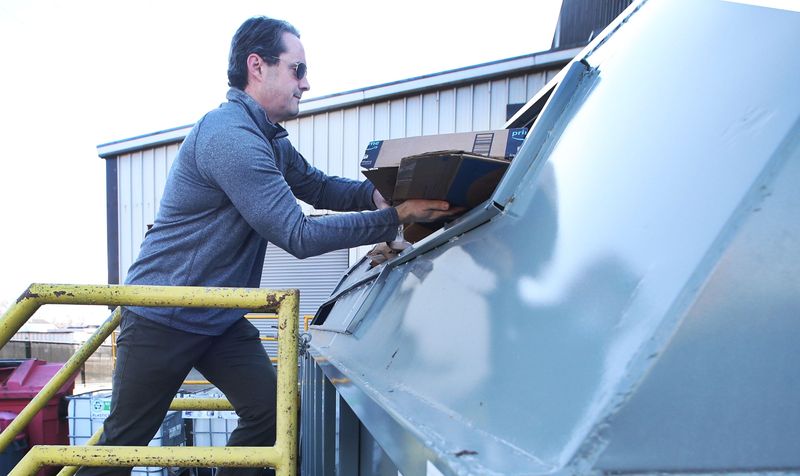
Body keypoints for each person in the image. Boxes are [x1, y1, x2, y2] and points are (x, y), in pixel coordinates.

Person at [77, 16, 459, 476]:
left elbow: (316, 186)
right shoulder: (230, 136)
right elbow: (296, 234)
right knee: (124, 444)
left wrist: (378, 194)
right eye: (298, 70)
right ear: (257, 67)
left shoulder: (267, 139)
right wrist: (395, 217)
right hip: (164, 313)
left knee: (273, 415)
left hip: (217, 317)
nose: (307, 83)